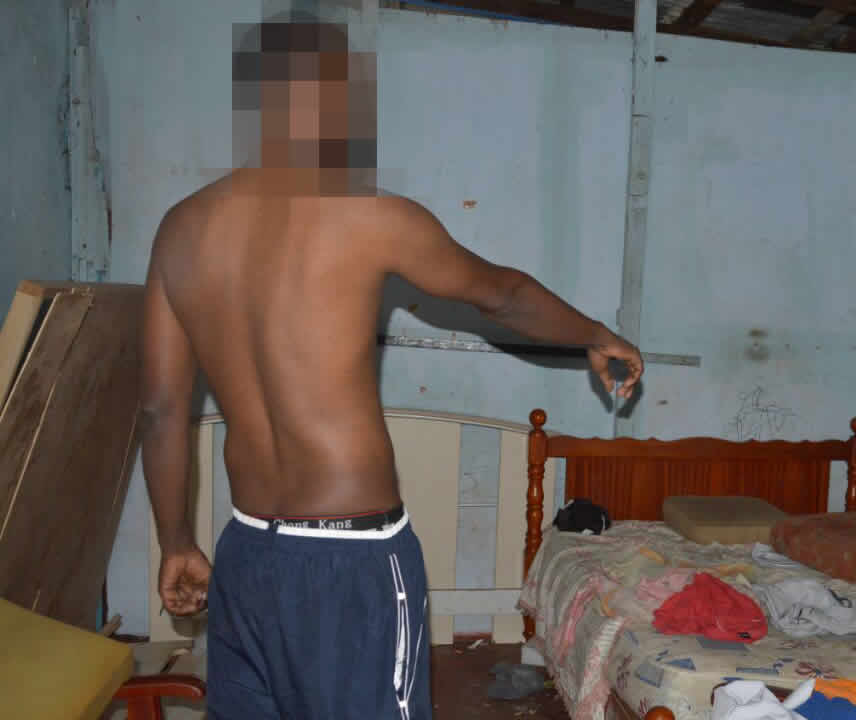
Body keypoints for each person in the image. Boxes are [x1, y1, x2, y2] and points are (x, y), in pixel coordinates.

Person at [138, 13, 643, 720]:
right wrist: (594, 333)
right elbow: (501, 296)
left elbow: (161, 410)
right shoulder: (370, 219)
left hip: (247, 553)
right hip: (353, 560)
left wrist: (174, 542)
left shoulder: (181, 230)